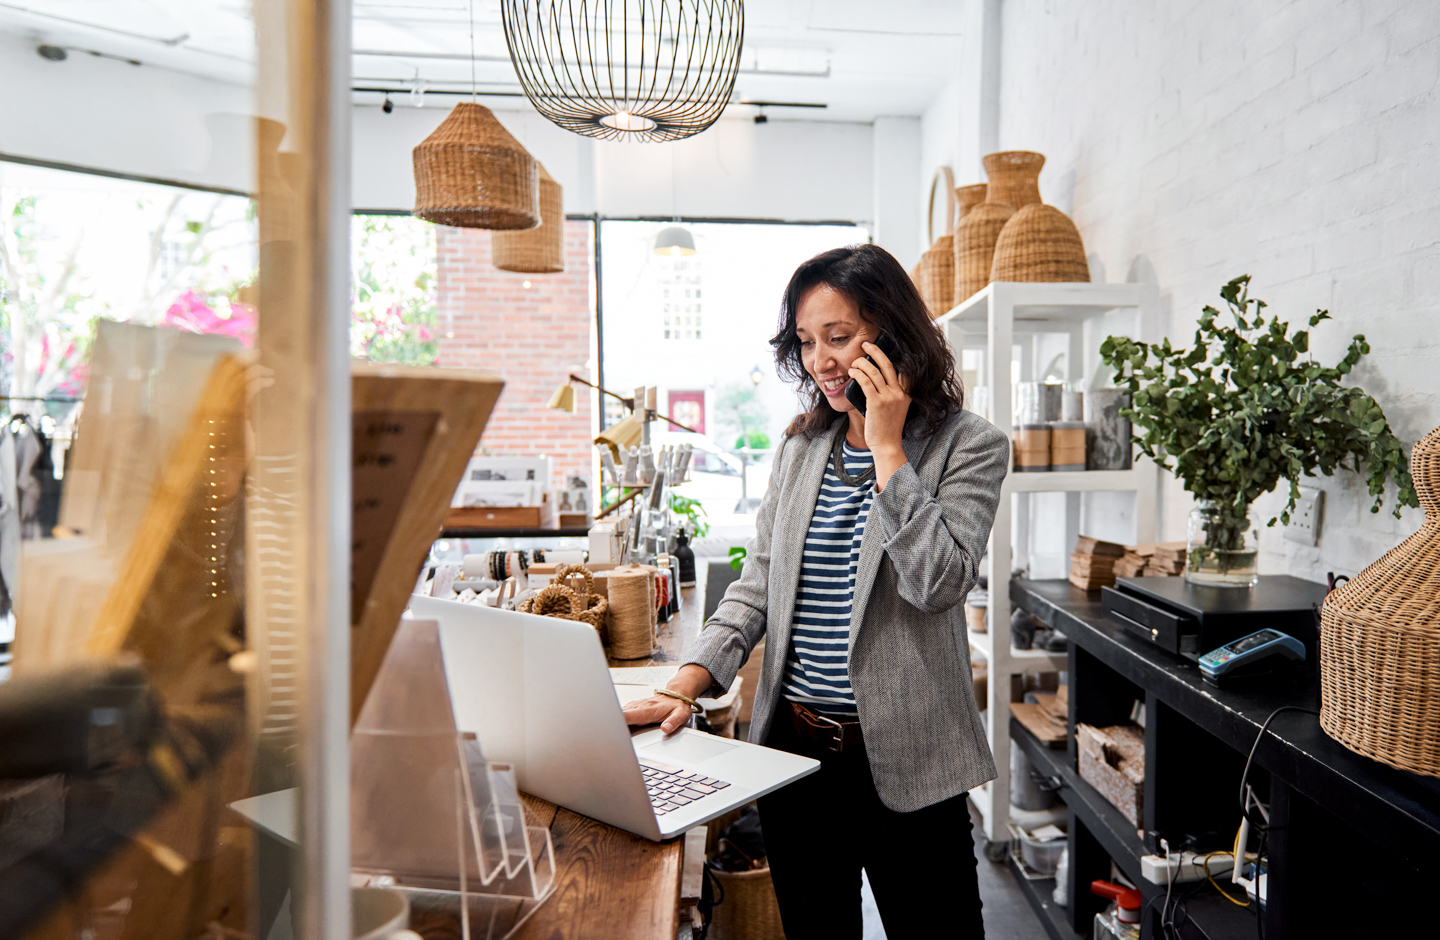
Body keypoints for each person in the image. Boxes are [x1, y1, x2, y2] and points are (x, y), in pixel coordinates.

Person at [623, 244, 1008, 937]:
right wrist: (688, 680)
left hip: (914, 766)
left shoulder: (968, 446)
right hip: (797, 766)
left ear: (893, 335)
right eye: (806, 342)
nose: (820, 361)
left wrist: (888, 449)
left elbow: (939, 583)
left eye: (839, 337)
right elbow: (757, 588)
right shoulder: (802, 451)